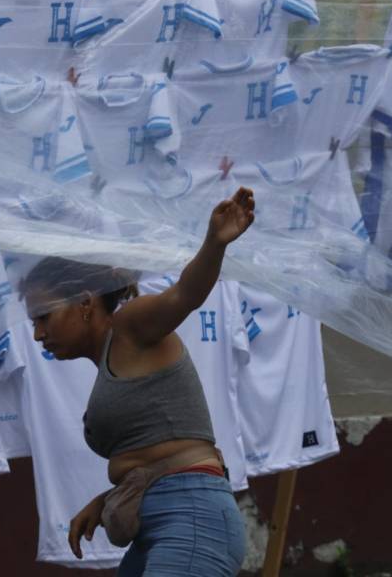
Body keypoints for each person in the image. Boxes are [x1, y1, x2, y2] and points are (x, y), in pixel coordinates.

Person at [18, 187, 255, 576]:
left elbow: (185, 294)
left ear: (84, 303)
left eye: (43, 316)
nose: (38, 335)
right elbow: (155, 455)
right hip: (166, 521)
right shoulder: (114, 358)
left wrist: (214, 243)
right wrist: (109, 500)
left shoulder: (131, 324)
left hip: (192, 519)